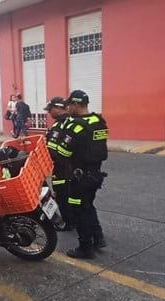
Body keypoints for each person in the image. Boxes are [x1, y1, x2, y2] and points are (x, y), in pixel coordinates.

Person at [62, 90, 109, 259]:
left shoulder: (77, 126)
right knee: (88, 206)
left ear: (76, 104)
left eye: (69, 105)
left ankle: (85, 248)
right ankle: (98, 237)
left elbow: (64, 152)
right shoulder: (98, 121)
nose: (68, 108)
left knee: (78, 210)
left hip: (78, 177)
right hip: (95, 174)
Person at [44, 97, 74, 231]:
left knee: (63, 197)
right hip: (67, 167)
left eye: (50, 110)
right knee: (67, 196)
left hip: (64, 168)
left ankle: (69, 223)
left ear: (58, 108)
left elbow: (55, 149)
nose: (49, 113)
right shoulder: (65, 122)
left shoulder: (63, 124)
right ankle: (73, 221)